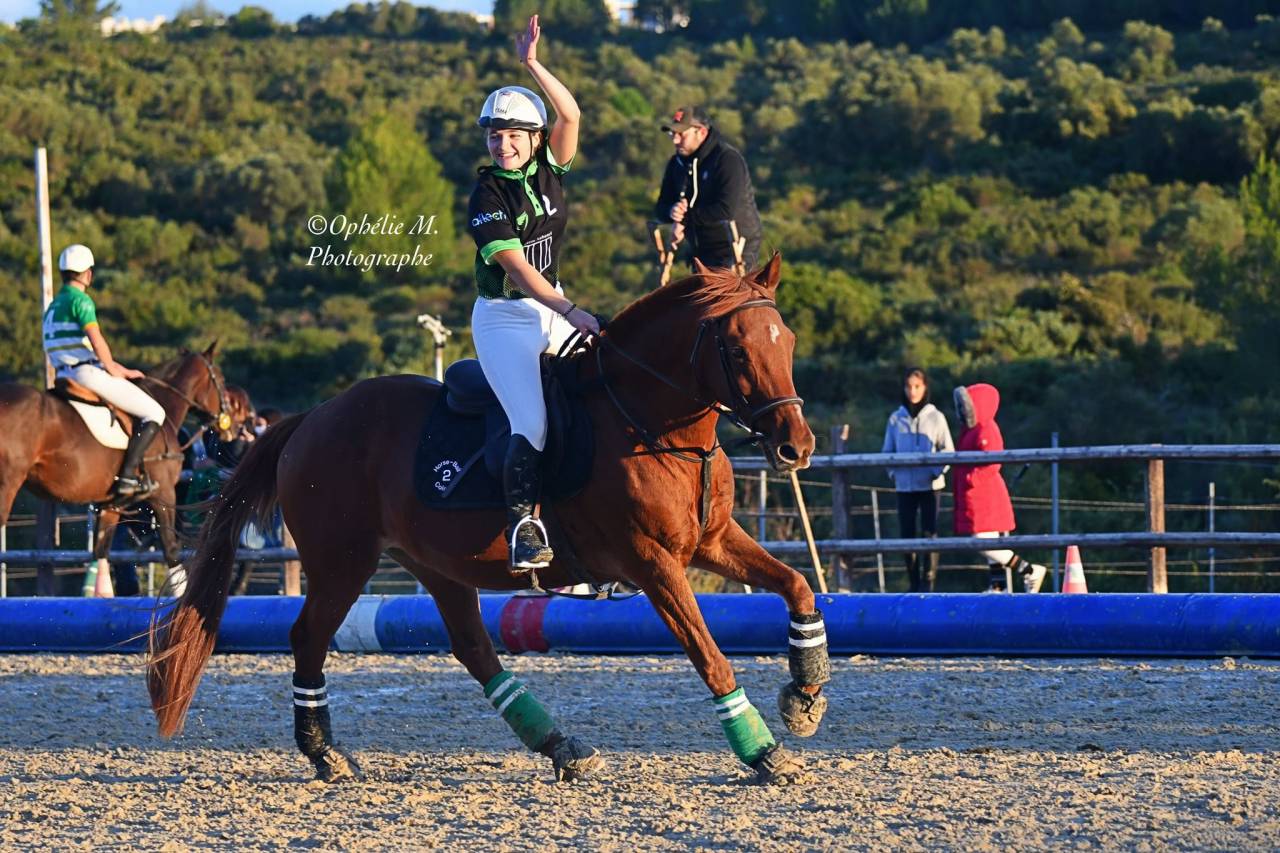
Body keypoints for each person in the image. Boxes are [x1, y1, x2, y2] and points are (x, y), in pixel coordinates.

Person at [466, 15, 598, 573]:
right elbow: (518, 271)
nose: (503, 144)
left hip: (553, 307)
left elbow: (571, 114)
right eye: (495, 136)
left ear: (536, 139)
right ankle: (522, 528)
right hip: (505, 320)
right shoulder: (485, 194)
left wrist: (533, 65)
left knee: (598, 391)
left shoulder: (550, 170)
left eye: (514, 135)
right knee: (533, 422)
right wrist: (570, 310)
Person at [43, 244, 166, 500]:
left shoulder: (53, 305)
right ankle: (128, 476)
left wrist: (120, 369)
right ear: (87, 273)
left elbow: (77, 348)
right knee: (155, 412)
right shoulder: (81, 300)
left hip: (63, 375)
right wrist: (112, 369)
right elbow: (97, 342)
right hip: (85, 374)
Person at [952, 383, 1047, 593]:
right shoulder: (970, 429)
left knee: (982, 542)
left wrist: (971, 478)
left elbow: (993, 461)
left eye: (967, 405)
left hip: (984, 494)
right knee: (990, 541)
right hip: (976, 494)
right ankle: (998, 586)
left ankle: (1029, 570)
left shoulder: (986, 429)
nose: (963, 411)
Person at [653, 105, 763, 271]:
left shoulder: (727, 159)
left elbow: (725, 210)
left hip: (735, 249)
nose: (675, 140)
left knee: (729, 289)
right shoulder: (676, 164)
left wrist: (685, 218)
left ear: (702, 132)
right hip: (701, 251)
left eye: (681, 134)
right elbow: (660, 208)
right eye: (672, 134)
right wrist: (672, 211)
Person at [881, 368, 954, 592]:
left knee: (929, 532)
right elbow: (887, 452)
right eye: (908, 386)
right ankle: (913, 583)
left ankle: (928, 582)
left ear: (925, 388)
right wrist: (894, 474)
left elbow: (948, 449)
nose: (912, 391)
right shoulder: (895, 419)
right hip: (904, 486)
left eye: (917, 386)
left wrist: (936, 470)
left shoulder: (937, 417)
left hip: (930, 485)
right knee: (907, 533)